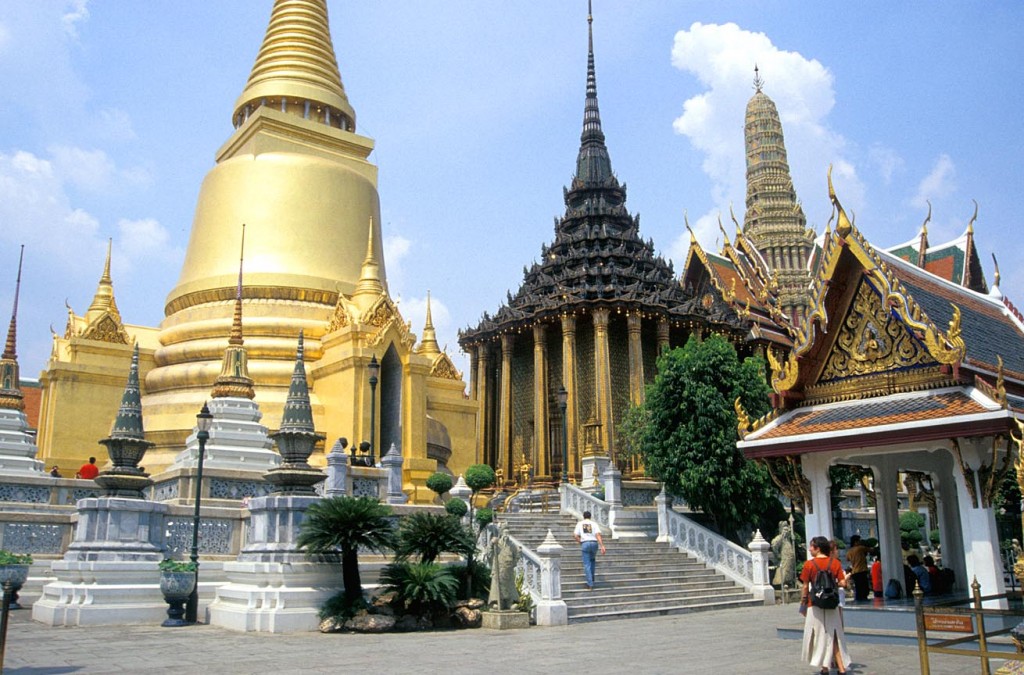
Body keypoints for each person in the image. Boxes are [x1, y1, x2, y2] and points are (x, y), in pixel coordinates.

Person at [800, 536, 851, 675]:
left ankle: (825, 667)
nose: (810, 549)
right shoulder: (834, 563)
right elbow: (843, 583)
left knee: (818, 634)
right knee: (833, 635)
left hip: (814, 603)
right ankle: (839, 668)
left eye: (812, 546)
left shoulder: (809, 565)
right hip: (831, 602)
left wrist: (803, 604)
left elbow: (805, 587)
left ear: (818, 548)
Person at [573, 510, 605, 590]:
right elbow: (598, 535)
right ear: (590, 517)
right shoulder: (594, 524)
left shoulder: (580, 524)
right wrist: (602, 546)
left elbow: (575, 535)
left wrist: (580, 541)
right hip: (594, 543)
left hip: (585, 543)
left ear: (583, 516)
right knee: (592, 561)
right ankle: (592, 578)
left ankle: (590, 584)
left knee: (587, 564)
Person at [845, 535, 870, 601]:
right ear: (856, 542)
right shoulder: (860, 548)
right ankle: (864, 599)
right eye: (859, 541)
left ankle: (858, 599)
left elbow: (847, 559)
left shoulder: (849, 551)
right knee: (864, 587)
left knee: (858, 587)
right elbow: (871, 550)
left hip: (854, 571)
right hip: (862, 570)